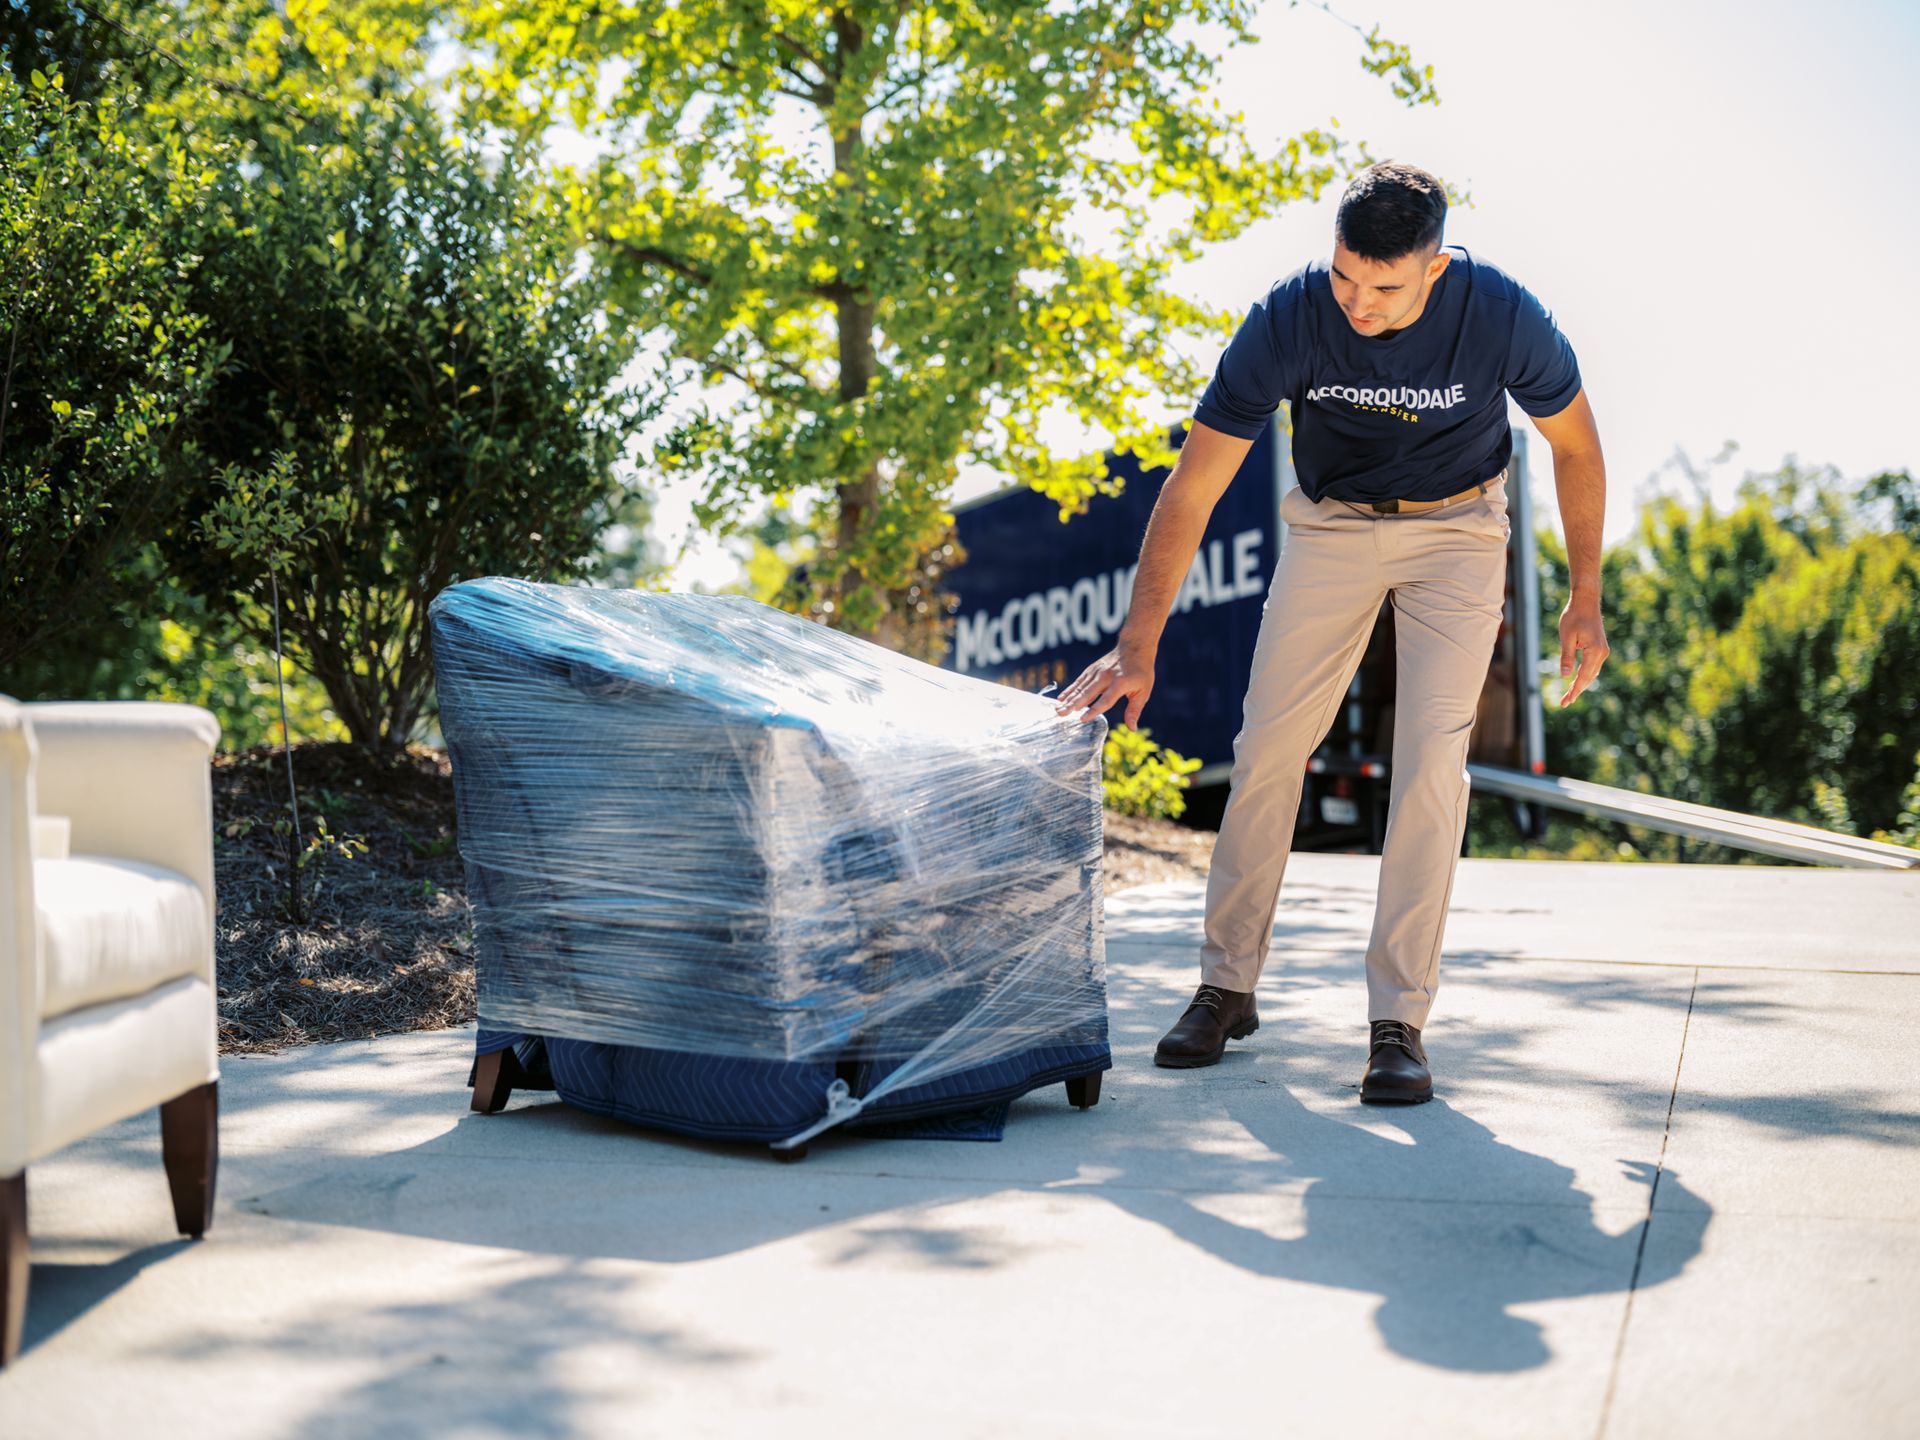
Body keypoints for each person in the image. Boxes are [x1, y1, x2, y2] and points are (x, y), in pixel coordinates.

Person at [1053, 161, 1609, 1104]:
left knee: (1432, 760)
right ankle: (1225, 987)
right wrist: (1136, 644)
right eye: (1345, 274)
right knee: (1268, 742)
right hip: (1333, 524)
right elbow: (1194, 486)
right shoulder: (1290, 318)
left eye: (1384, 285)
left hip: (1458, 530)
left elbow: (1575, 445)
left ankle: (1399, 1021)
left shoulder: (1501, 315)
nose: (1357, 300)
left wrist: (1583, 595)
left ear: (1435, 269)